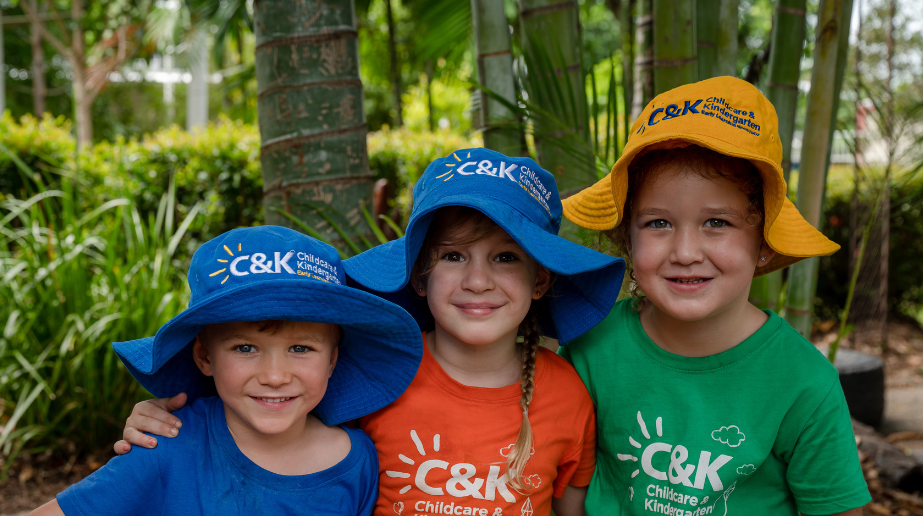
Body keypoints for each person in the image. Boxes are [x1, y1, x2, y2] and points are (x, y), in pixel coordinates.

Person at [114, 149, 627, 516]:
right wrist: (164, 420)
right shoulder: (372, 376)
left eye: (505, 257)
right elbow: (262, 402)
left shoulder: (568, 395)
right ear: (419, 274)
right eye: (452, 256)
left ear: (540, 278)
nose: (477, 280)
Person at [558, 76, 871, 515]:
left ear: (764, 242)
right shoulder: (592, 346)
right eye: (658, 224)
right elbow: (567, 489)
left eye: (717, 223)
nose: (685, 253)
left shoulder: (803, 383)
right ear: (627, 239)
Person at [29, 226, 423, 516]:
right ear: (204, 356)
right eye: (245, 348)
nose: (274, 375)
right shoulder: (165, 445)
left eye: (300, 348)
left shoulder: (359, 462)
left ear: (333, 360)